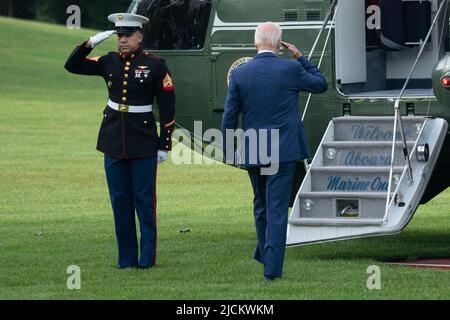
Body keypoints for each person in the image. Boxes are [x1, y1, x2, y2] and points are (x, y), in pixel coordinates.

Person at [64, 13, 176, 269]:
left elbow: (168, 107)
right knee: (120, 203)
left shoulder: (156, 64)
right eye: (119, 36)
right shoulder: (108, 61)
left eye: (127, 36)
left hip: (144, 143)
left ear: (140, 36)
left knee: (145, 204)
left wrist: (164, 143)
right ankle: (126, 260)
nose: (122, 40)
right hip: (113, 140)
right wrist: (90, 42)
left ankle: (147, 260)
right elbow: (72, 65)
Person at [221, 22, 327, 281]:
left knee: (261, 205)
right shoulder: (291, 68)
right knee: (277, 209)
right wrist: (302, 58)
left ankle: (265, 254)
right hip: (283, 149)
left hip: (254, 147)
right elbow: (320, 84)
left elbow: (230, 116)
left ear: (255, 43)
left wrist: (229, 148)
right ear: (279, 44)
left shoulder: (240, 73)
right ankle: (272, 270)